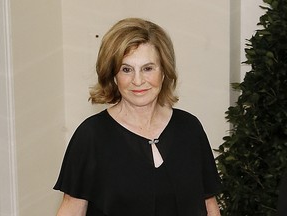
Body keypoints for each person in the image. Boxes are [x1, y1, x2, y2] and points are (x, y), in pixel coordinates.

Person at [54, 17, 222, 216]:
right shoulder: (92, 136)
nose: (138, 80)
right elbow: (72, 211)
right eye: (126, 69)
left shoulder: (189, 128)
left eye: (148, 68)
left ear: (164, 72)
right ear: (113, 76)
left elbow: (209, 204)